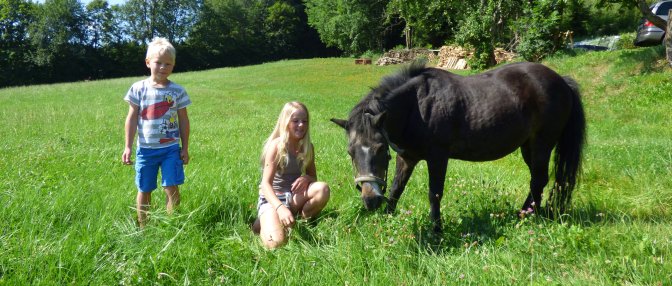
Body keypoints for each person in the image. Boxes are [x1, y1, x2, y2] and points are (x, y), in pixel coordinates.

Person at [122, 37, 191, 227]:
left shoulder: (178, 91)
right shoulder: (138, 88)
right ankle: (143, 226)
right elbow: (132, 118)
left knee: (171, 187)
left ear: (174, 65)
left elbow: (184, 120)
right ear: (147, 63)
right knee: (144, 188)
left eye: (168, 63)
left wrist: (185, 148)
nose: (163, 67)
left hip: (170, 149)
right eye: (158, 62)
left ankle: (172, 225)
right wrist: (128, 146)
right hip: (145, 150)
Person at [255, 102, 330, 249]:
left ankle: (301, 221)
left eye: (304, 121)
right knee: (276, 243)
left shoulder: (307, 147)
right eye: (295, 121)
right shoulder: (276, 146)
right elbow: (265, 185)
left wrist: (306, 178)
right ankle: (262, 222)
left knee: (323, 190)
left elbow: (313, 177)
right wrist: (280, 208)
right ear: (286, 122)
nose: (301, 125)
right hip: (273, 200)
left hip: (293, 197)